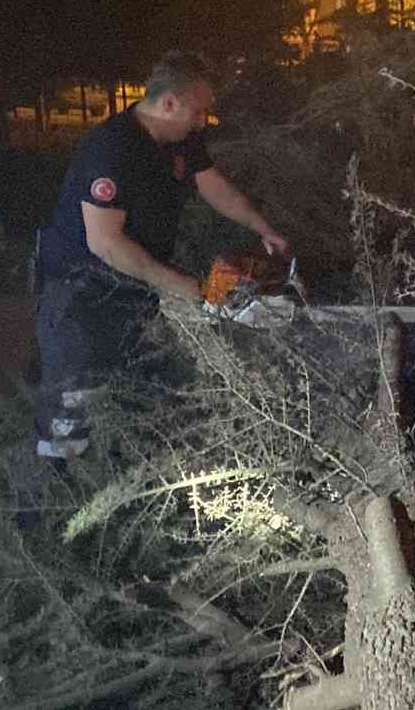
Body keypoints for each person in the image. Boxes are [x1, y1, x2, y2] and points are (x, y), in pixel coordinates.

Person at [32, 51, 287, 461]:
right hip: (79, 298)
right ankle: (50, 509)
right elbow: (106, 243)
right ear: (169, 103)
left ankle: (124, 490)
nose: (203, 121)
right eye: (198, 111)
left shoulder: (180, 140)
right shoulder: (110, 149)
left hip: (132, 293)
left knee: (133, 402)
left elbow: (213, 186)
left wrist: (263, 228)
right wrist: (183, 286)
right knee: (69, 414)